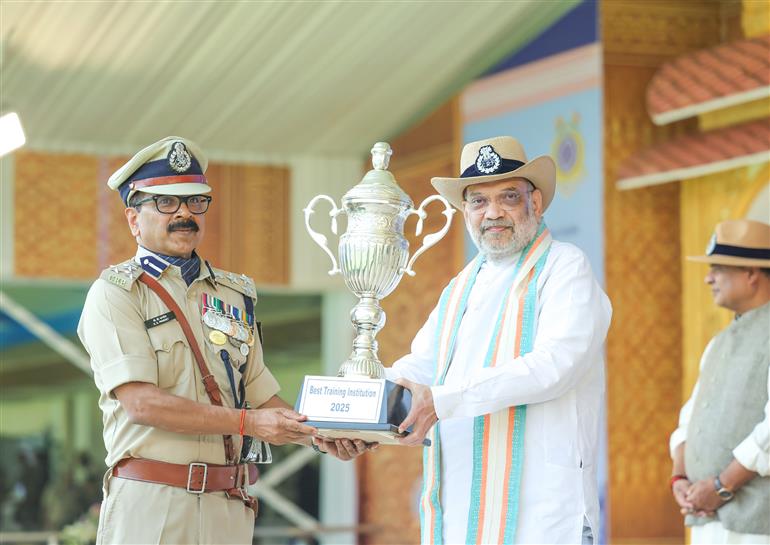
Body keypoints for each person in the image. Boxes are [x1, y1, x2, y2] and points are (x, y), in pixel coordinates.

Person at [78, 136, 369, 545]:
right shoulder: (117, 294)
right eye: (166, 203)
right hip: (154, 505)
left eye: (195, 201)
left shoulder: (234, 296)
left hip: (227, 507)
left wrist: (321, 435)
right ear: (133, 219)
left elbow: (260, 397)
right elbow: (142, 404)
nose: (184, 213)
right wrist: (249, 423)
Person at [387, 136, 612, 544]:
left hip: (544, 514)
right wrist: (363, 409)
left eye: (508, 197)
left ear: (535, 203)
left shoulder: (564, 266)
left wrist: (442, 400)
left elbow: (553, 367)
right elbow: (422, 364)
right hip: (462, 508)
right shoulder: (461, 286)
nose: (493, 213)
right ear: (465, 212)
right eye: (479, 201)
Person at [669, 219, 770, 545]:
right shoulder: (719, 342)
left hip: (756, 525)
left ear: (751, 273)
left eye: (718, 269)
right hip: (706, 518)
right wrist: (680, 477)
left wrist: (722, 486)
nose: (708, 278)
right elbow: (689, 421)